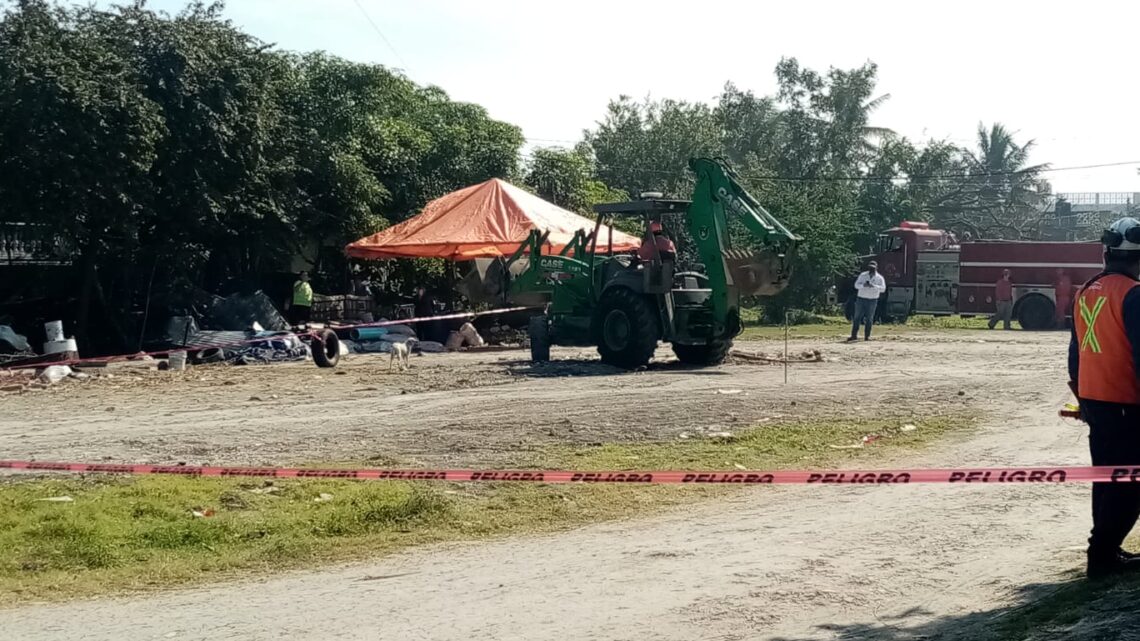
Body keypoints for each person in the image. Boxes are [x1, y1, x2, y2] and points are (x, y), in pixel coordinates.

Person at [1069, 217, 1140, 579]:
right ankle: (1103, 554)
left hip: (1096, 401)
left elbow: (1075, 351)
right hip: (1127, 403)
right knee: (1130, 484)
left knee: (1107, 477)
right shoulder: (1133, 293)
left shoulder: (1086, 290)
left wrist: (1081, 397)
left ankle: (1104, 551)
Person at [848, 261, 886, 342]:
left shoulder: (879, 278)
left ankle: (867, 336)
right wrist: (863, 285)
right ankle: (854, 335)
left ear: (876, 268)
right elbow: (856, 285)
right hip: (861, 299)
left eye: (873, 268)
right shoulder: (863, 275)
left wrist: (874, 286)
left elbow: (883, 289)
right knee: (857, 317)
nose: (871, 269)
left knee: (869, 318)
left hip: (872, 300)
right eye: (870, 268)